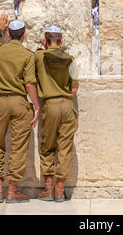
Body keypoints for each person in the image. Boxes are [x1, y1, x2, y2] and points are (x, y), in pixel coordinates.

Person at [0, 14, 41, 204]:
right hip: (19, 102)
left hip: (0, 103)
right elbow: (30, 84)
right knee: (18, 147)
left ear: (9, 33)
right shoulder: (28, 55)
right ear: (24, 36)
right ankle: (13, 191)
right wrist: (36, 106)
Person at [34, 25, 79, 203]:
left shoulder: (38, 56)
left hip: (50, 105)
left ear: (45, 41)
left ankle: (48, 189)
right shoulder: (70, 59)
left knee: (47, 146)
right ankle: (60, 190)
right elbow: (74, 89)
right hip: (67, 105)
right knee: (65, 148)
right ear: (61, 41)